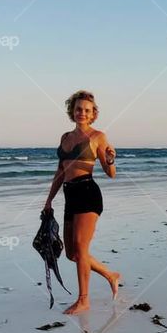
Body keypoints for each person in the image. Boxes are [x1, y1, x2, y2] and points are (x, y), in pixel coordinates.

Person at [43, 89, 121, 314]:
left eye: (87, 110)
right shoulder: (65, 138)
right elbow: (60, 172)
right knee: (72, 254)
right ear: (72, 111)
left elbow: (111, 173)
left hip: (88, 193)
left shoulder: (98, 137)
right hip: (70, 195)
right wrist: (49, 200)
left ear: (93, 113)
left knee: (81, 247)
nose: (82, 113)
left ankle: (84, 300)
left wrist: (110, 159)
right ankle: (110, 275)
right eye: (78, 109)